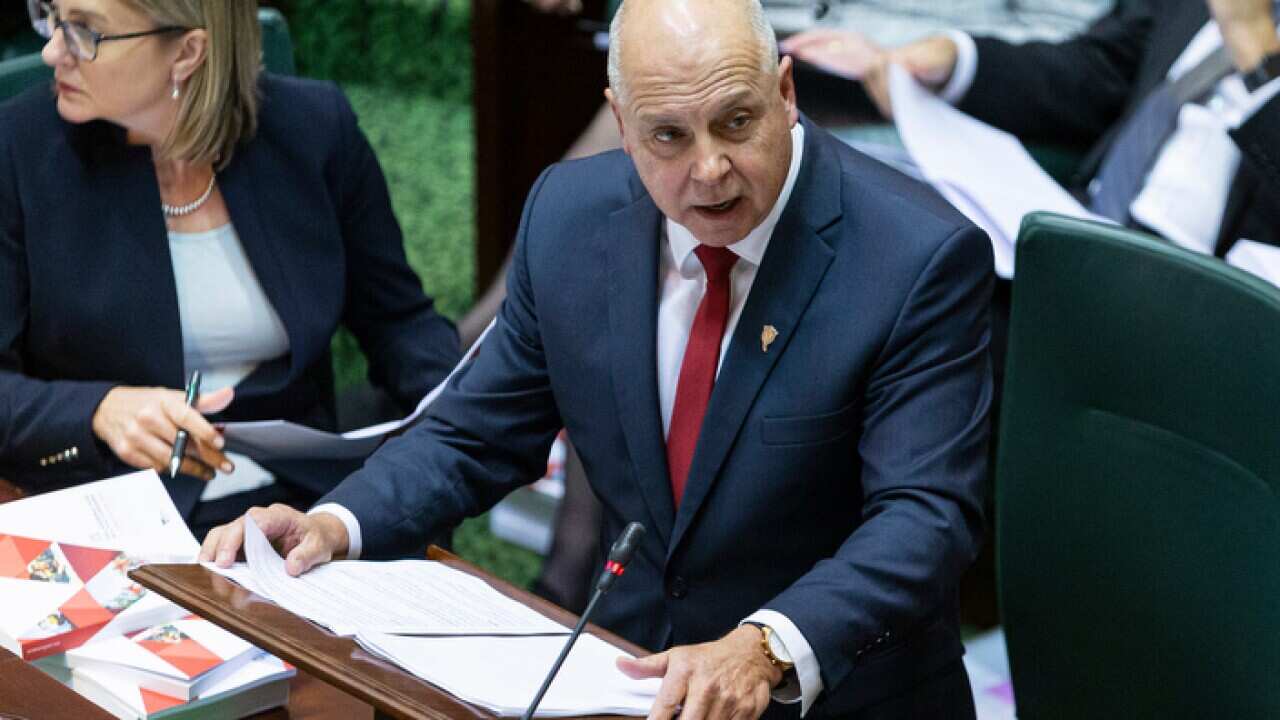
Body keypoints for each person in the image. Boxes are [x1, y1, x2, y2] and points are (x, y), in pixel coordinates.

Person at [204, 0, 993, 716]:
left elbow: (924, 515)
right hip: (628, 676)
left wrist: (768, 644)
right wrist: (335, 524)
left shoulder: (916, 257)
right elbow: (473, 432)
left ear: (785, 92)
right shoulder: (570, 216)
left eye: (737, 122)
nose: (710, 169)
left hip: (837, 696)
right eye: (669, 137)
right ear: (621, 122)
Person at [0, 0, 460, 538]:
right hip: (114, 514)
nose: (53, 49)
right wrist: (99, 410)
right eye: (51, 15)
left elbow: (401, 323)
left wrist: (467, 420)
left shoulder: (314, 129)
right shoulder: (18, 150)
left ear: (188, 52)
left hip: (301, 512)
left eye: (84, 31)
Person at [788, 0, 1280, 258]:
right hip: (1082, 231)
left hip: (1209, 298)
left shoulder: (1248, 19)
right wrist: (959, 61)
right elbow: (1101, 71)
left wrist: (1253, 42)